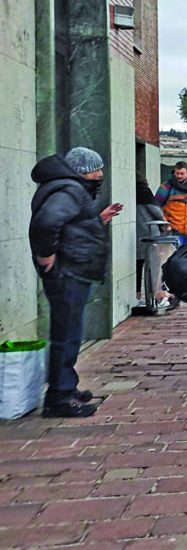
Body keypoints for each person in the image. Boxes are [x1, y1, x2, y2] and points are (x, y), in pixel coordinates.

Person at [29, 147, 123, 418]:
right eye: (97, 169)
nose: (101, 174)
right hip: (67, 272)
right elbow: (46, 222)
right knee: (66, 335)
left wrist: (98, 219)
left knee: (68, 333)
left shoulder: (64, 188)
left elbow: (69, 224)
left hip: (69, 270)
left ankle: (65, 387)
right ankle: (58, 398)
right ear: (82, 171)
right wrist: (46, 255)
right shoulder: (69, 189)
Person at [155, 161, 187, 245]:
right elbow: (156, 206)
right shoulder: (166, 186)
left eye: (182, 173)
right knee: (174, 257)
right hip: (172, 230)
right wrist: (165, 223)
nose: (179, 176)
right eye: (177, 173)